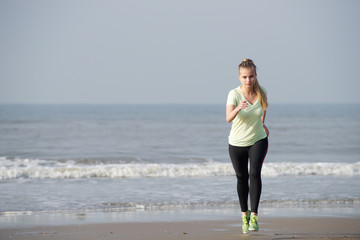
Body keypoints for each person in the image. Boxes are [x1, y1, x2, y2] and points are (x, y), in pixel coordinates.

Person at [226, 58, 269, 234]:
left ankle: (254, 217)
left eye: (251, 76)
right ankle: (244, 214)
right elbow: (228, 117)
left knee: (255, 174)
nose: (248, 80)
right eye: (244, 77)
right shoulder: (234, 94)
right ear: (239, 77)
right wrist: (238, 108)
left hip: (258, 139)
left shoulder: (262, 91)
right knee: (241, 178)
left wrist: (263, 123)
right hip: (236, 143)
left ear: (255, 76)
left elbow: (263, 108)